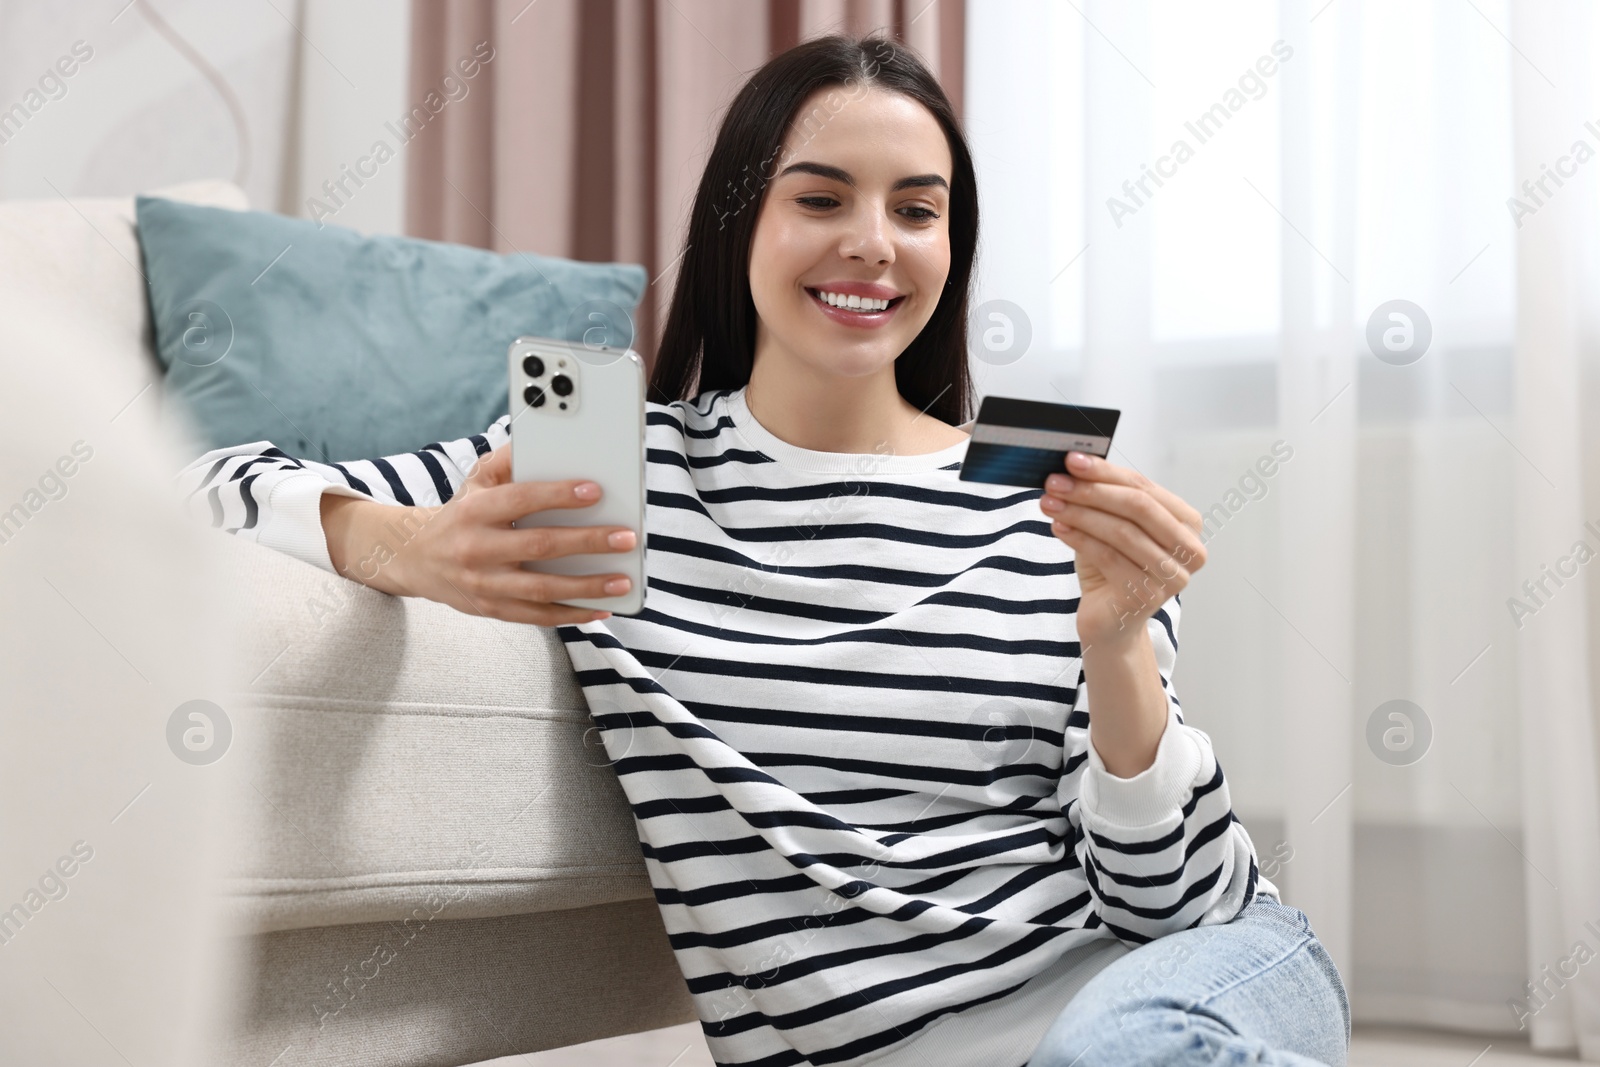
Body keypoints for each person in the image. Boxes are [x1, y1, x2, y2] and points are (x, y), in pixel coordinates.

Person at [175, 31, 1349, 1067]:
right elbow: (197, 486)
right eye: (822, 197)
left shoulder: (1037, 485)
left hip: (1172, 988)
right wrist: (411, 548)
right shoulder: (619, 463)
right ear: (742, 217)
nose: (873, 245)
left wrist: (1116, 645)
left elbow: (1180, 902)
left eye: (917, 209)